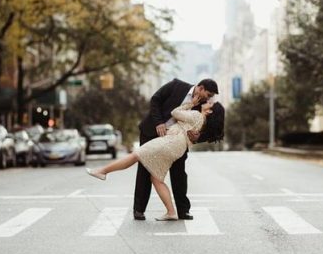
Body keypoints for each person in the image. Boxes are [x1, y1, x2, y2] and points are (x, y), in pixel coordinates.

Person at [86, 95, 224, 221]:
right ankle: (171, 212)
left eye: (211, 103)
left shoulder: (196, 116)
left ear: (210, 111)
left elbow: (175, 113)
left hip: (170, 142)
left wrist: (189, 103)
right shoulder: (202, 123)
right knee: (156, 179)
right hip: (177, 147)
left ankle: (103, 171)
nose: (207, 101)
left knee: (136, 155)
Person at [134, 78, 222, 221]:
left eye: (211, 96)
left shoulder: (203, 106)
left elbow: (209, 125)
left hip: (177, 140)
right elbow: (155, 99)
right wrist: (159, 122)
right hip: (152, 132)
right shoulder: (176, 85)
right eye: (209, 93)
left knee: (179, 172)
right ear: (200, 88)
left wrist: (198, 136)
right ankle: (139, 210)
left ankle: (183, 211)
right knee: (144, 169)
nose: (209, 98)